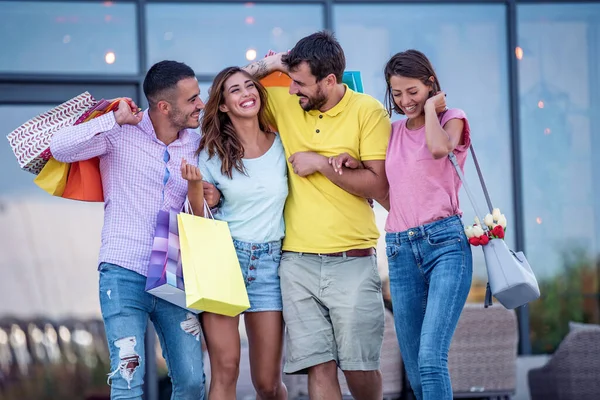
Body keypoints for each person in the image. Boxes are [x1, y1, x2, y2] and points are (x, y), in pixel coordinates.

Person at [50, 60, 212, 400]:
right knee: (128, 380)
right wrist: (112, 118)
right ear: (165, 107)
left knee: (193, 381)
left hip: (173, 273)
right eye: (192, 99)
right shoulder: (120, 135)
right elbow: (59, 148)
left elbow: (210, 202)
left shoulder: (197, 146)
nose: (201, 104)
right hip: (123, 271)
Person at [242, 31, 391, 400]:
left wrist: (323, 164)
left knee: (359, 367)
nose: (292, 90)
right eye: (290, 80)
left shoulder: (368, 111)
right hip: (296, 263)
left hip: (352, 261)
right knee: (319, 367)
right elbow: (231, 85)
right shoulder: (285, 100)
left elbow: (378, 187)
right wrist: (276, 63)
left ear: (329, 81)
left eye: (300, 83)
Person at [181, 66, 288, 400]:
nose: (246, 94)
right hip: (222, 258)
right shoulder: (211, 153)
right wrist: (197, 187)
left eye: (250, 86)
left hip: (270, 264)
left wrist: (275, 64)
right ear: (223, 105)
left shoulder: (283, 145)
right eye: (235, 91)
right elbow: (199, 215)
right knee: (225, 370)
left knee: (268, 384)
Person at [381, 49, 472, 400]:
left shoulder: (453, 118)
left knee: (432, 359)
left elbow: (437, 148)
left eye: (413, 92)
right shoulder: (391, 133)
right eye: (397, 93)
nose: (405, 101)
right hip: (400, 250)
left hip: (445, 245)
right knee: (418, 373)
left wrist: (433, 109)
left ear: (430, 85)